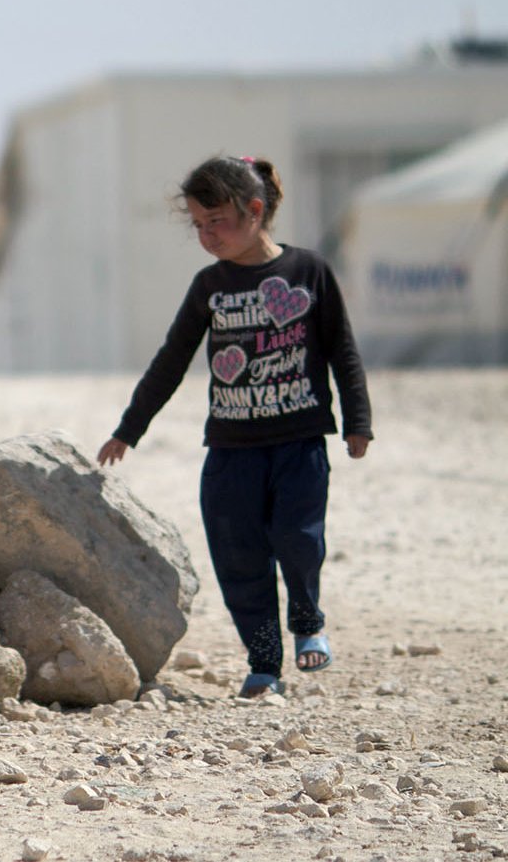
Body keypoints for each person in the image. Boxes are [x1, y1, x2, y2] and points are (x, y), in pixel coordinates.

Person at [99, 155, 371, 699]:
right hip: (230, 451)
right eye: (198, 226)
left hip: (299, 443)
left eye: (215, 222)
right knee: (238, 557)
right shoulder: (210, 287)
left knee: (298, 541)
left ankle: (307, 621)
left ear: (254, 210)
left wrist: (357, 420)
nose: (206, 235)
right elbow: (171, 359)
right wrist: (130, 428)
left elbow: (342, 348)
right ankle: (265, 661)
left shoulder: (308, 272)